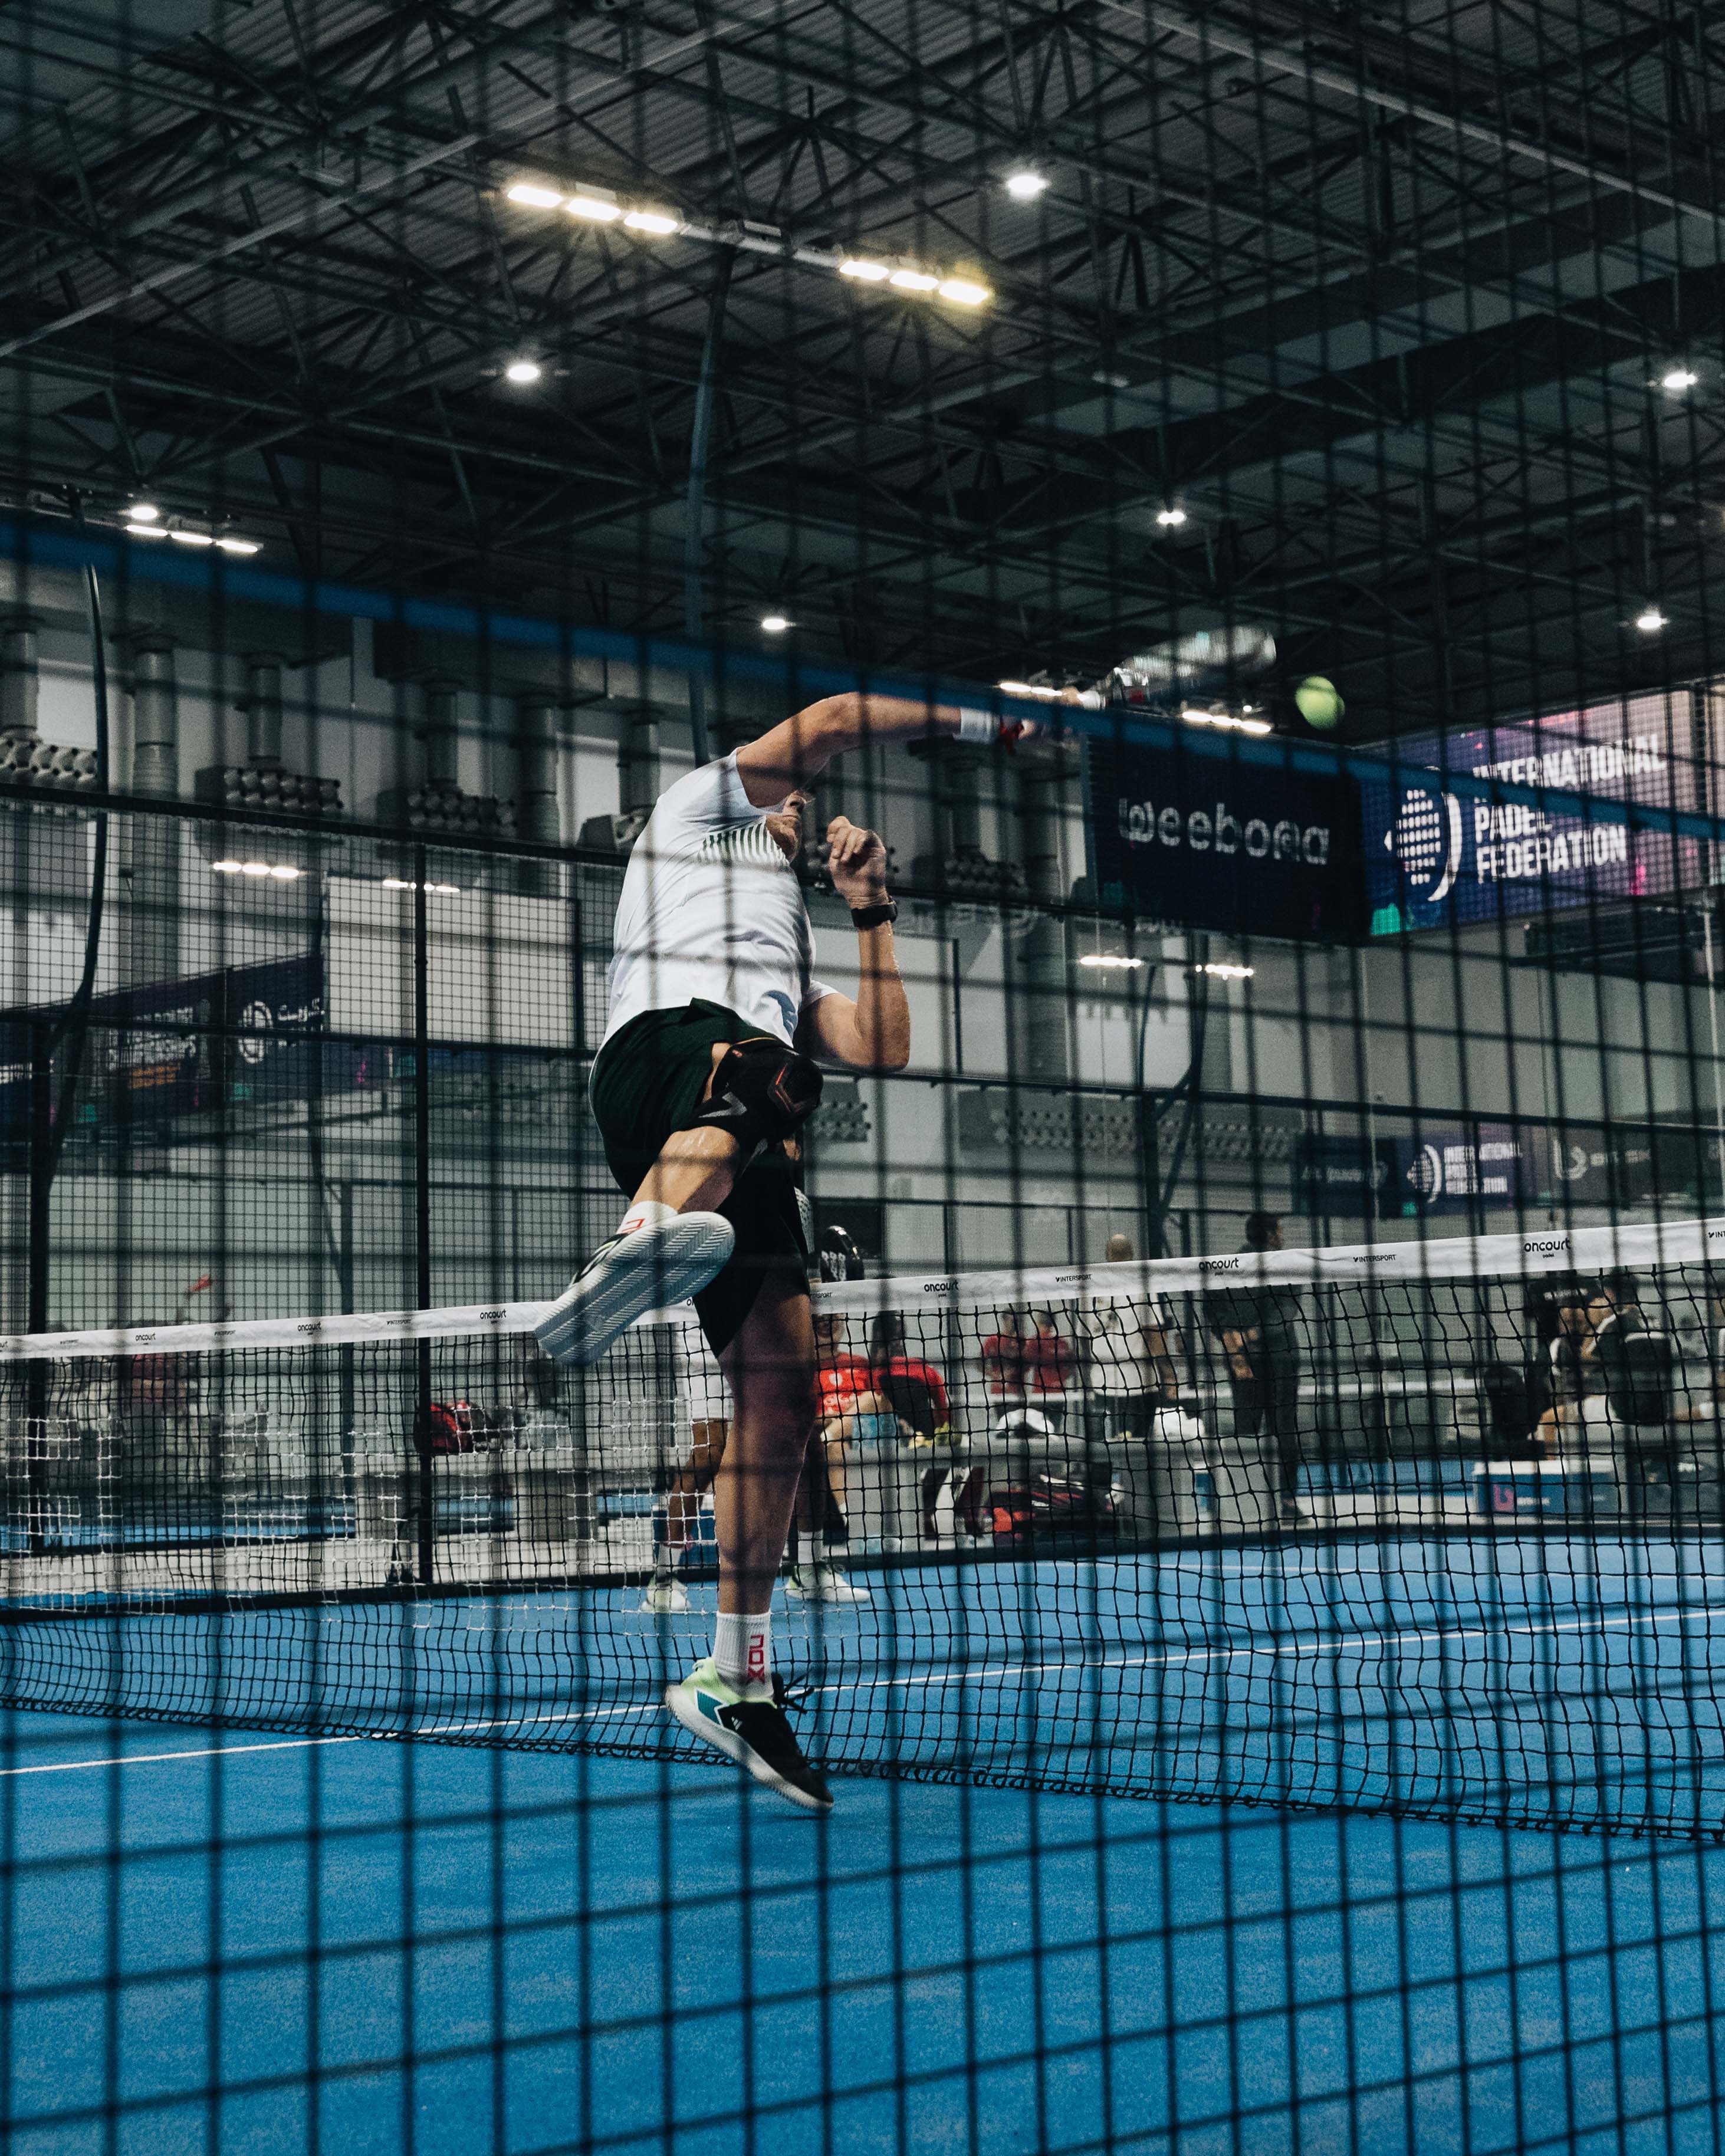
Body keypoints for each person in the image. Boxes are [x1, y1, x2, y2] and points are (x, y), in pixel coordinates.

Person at [536, 685, 1075, 1809]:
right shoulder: (694, 819)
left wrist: (871, 908)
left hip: (749, 1120)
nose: (802, 803)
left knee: (779, 1400)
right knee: (775, 1074)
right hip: (665, 1059)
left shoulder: (790, 940)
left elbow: (883, 1043)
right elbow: (832, 719)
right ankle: (635, 1239)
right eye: (787, 796)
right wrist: (990, 722)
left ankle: (736, 1675)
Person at [1210, 1211, 1307, 1526]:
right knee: (1280, 1428)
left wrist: (1236, 1347)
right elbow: (1285, 1313)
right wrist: (1240, 1348)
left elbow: (1215, 1315)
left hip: (1255, 1359)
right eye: (1279, 1231)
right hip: (1277, 1359)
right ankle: (1283, 1502)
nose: (1282, 1237)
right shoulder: (1284, 1265)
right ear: (1269, 1235)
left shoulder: (1225, 1267)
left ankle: (1255, 1503)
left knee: (1252, 1428)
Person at [868, 1310, 982, 1542]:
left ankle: (949, 1515)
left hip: (924, 1448)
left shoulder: (919, 1369)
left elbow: (944, 1414)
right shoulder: (870, 1374)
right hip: (894, 1450)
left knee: (970, 1449)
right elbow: (943, 1413)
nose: (896, 1341)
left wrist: (943, 1436)